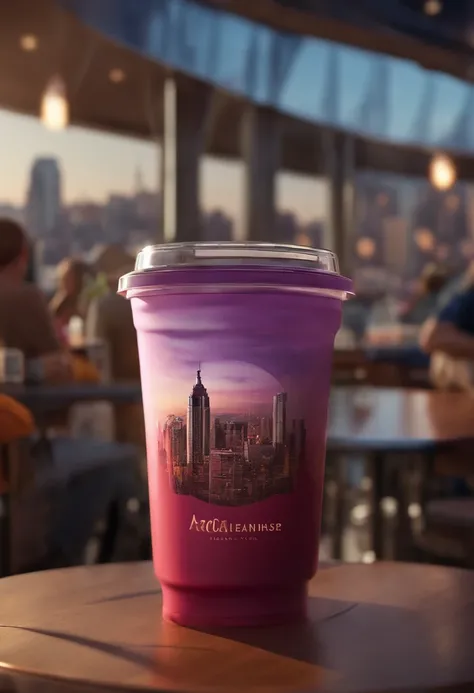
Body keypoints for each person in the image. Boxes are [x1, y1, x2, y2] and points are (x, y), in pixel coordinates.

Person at [0, 219, 72, 381]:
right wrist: (34, 369)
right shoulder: (26, 298)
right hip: (22, 404)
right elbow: (58, 369)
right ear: (24, 255)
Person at [49, 258, 91, 340]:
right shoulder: (57, 306)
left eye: (69, 278)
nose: (64, 282)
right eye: (64, 278)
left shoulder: (87, 305)